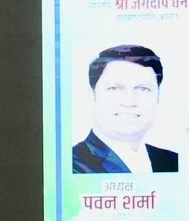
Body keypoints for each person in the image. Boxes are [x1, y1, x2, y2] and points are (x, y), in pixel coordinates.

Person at [70, 44, 178, 173]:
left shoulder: (173, 161)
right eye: (114, 89)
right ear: (92, 95)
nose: (129, 101)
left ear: (158, 96)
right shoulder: (72, 165)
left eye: (142, 89)